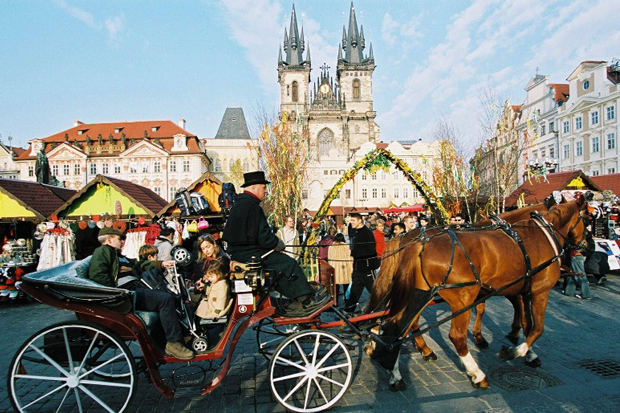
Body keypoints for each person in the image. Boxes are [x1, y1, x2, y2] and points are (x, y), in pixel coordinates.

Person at [222, 171, 330, 316]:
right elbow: (264, 237)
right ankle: (305, 301)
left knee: (281, 263)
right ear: (253, 188)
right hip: (250, 254)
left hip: (242, 252)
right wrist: (278, 243)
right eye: (263, 187)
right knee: (288, 263)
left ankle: (296, 297)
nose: (266, 191)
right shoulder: (253, 207)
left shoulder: (241, 204)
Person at [88, 229, 194, 360]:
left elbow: (139, 264)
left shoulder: (117, 255)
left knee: (169, 295)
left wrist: (160, 264)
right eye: (118, 239)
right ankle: (174, 343)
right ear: (109, 240)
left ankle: (173, 337)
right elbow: (97, 275)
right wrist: (114, 292)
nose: (122, 241)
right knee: (165, 299)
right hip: (126, 293)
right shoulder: (103, 251)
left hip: (133, 289)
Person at [344, 213, 378, 314]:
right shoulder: (354, 232)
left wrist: (353, 252)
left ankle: (382, 310)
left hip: (367, 268)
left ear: (360, 221)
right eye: (351, 220)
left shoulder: (367, 233)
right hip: (357, 268)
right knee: (354, 293)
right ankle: (348, 313)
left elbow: (371, 251)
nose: (351, 222)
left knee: (375, 292)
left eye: (353, 220)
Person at [194, 260, 231, 347]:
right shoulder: (217, 282)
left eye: (211, 276)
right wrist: (204, 288)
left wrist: (217, 312)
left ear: (219, 274)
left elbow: (221, 300)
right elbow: (211, 292)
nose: (209, 279)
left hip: (216, 309)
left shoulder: (222, 285)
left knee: (199, 312)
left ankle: (204, 333)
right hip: (213, 305)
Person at [327, 233, 353, 298]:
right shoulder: (346, 247)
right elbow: (350, 258)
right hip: (345, 268)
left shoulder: (331, 247)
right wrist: (351, 269)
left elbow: (329, 258)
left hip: (335, 269)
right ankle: (346, 300)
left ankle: (335, 302)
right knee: (346, 285)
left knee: (335, 287)